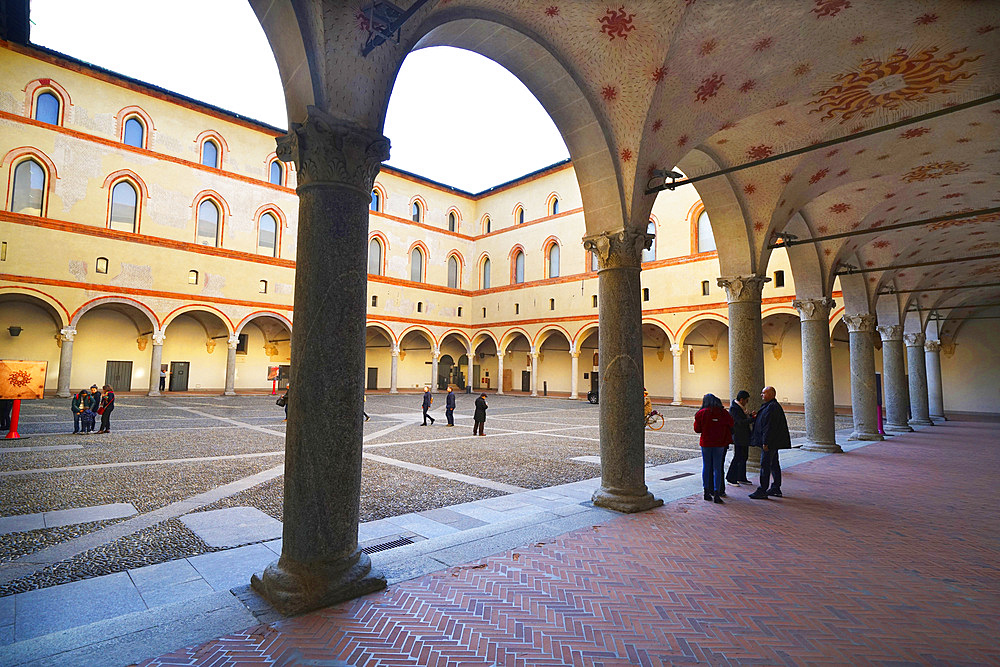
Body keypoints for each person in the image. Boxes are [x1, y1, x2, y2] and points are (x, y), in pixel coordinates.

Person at [748, 386, 791, 499]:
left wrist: (765, 442)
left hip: (769, 443)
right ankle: (776, 487)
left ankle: (762, 489)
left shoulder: (771, 407)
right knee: (774, 464)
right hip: (773, 442)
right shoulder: (771, 406)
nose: (761, 395)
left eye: (764, 393)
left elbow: (769, 427)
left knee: (765, 465)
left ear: (771, 394)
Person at [693, 393, 734, 504]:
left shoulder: (701, 413)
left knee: (706, 466)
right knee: (717, 468)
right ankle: (717, 493)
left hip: (706, 443)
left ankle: (706, 491)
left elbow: (697, 429)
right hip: (719, 443)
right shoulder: (722, 412)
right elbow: (731, 423)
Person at [726, 390, 754, 486]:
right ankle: (731, 478)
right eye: (746, 400)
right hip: (739, 436)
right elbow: (739, 422)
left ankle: (741, 477)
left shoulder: (741, 407)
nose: (747, 402)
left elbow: (743, 419)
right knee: (738, 457)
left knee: (744, 457)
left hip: (744, 436)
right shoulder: (734, 408)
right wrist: (752, 419)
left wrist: (750, 416)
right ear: (741, 399)